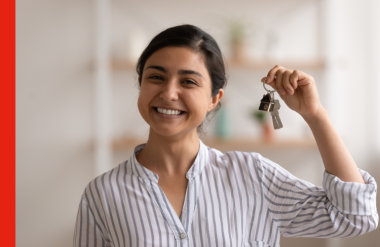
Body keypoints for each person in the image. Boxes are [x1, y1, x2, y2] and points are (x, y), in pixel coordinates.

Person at [73, 25, 378, 247]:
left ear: (214, 99)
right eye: (156, 77)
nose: (168, 93)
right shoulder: (102, 194)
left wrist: (315, 114)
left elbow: (356, 216)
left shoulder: (253, 175)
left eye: (188, 81)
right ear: (141, 86)